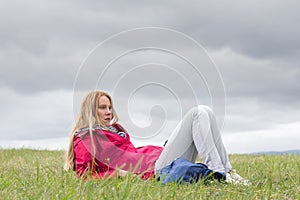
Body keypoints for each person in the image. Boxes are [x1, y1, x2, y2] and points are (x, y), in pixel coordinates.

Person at [65, 90, 249, 185]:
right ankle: (220, 172)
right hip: (156, 170)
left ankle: (227, 170)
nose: (108, 112)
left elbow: (130, 153)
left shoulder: (115, 130)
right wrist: (118, 174)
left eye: (109, 107)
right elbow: (85, 177)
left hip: (160, 160)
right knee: (197, 113)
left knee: (205, 112)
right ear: (90, 110)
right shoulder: (86, 138)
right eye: (102, 107)